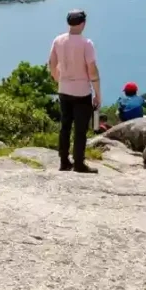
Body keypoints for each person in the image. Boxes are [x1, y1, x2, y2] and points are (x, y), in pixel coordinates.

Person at [49, 9, 101, 173]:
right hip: (82, 92)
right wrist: (98, 93)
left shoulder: (58, 40)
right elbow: (92, 70)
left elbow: (51, 63)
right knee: (80, 129)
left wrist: (58, 78)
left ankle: (64, 161)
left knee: (65, 126)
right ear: (83, 24)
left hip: (64, 89)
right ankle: (79, 163)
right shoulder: (86, 44)